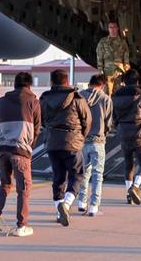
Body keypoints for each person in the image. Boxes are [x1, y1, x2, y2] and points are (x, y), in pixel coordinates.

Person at [0, 72, 41, 237]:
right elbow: (38, 128)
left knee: (5, 183)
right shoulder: (33, 101)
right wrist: (29, 146)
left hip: (2, 149)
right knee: (23, 189)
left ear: (14, 84)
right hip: (21, 150)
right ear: (29, 85)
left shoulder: (1, 101)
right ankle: (21, 225)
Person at [39, 69, 91, 226]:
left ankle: (58, 210)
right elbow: (87, 121)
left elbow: (40, 119)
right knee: (77, 176)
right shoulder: (77, 98)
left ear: (52, 81)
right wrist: (81, 137)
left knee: (58, 177)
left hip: (52, 142)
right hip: (73, 142)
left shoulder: (44, 98)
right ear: (67, 80)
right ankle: (66, 205)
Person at [112, 69, 141, 206]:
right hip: (138, 132)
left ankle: (128, 194)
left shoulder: (115, 96)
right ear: (137, 81)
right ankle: (135, 187)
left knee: (128, 164)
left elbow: (114, 117)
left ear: (124, 81)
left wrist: (119, 126)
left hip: (123, 132)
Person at [77, 74, 113, 216]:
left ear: (90, 83)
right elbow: (109, 121)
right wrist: (104, 133)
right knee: (98, 174)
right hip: (98, 140)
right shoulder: (105, 99)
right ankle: (94, 206)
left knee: (84, 172)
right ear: (102, 85)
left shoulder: (79, 96)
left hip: (82, 140)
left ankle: (81, 202)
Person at [96, 21, 130, 95]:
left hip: (119, 72)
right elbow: (99, 56)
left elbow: (126, 56)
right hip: (107, 72)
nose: (112, 29)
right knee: (107, 93)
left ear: (117, 28)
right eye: (110, 27)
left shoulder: (122, 42)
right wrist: (100, 70)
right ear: (108, 29)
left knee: (119, 93)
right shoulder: (103, 42)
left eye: (114, 27)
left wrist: (126, 69)